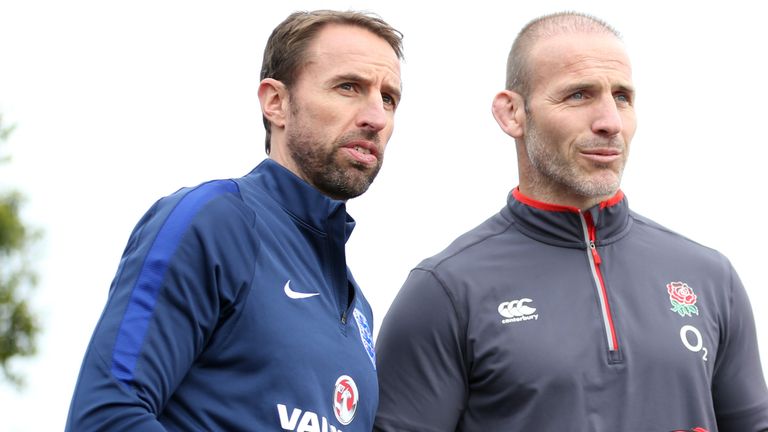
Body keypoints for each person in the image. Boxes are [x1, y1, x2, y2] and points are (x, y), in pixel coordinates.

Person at [374, 11, 768, 432]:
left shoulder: (710, 277)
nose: (609, 122)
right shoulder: (445, 290)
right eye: (579, 95)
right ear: (512, 114)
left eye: (622, 97)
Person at [65, 9, 403, 431]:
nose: (376, 117)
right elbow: (105, 417)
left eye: (388, 98)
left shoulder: (359, 312)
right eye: (348, 87)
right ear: (276, 102)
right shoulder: (213, 222)